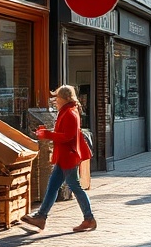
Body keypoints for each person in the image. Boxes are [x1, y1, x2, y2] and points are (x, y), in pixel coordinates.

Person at [21, 84, 96, 232]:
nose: (56, 101)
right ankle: (41, 217)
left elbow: (68, 136)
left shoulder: (69, 113)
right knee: (53, 186)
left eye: (57, 98)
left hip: (68, 157)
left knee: (74, 186)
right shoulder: (67, 111)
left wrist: (47, 134)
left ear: (64, 99)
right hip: (65, 157)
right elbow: (64, 134)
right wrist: (47, 132)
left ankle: (89, 218)